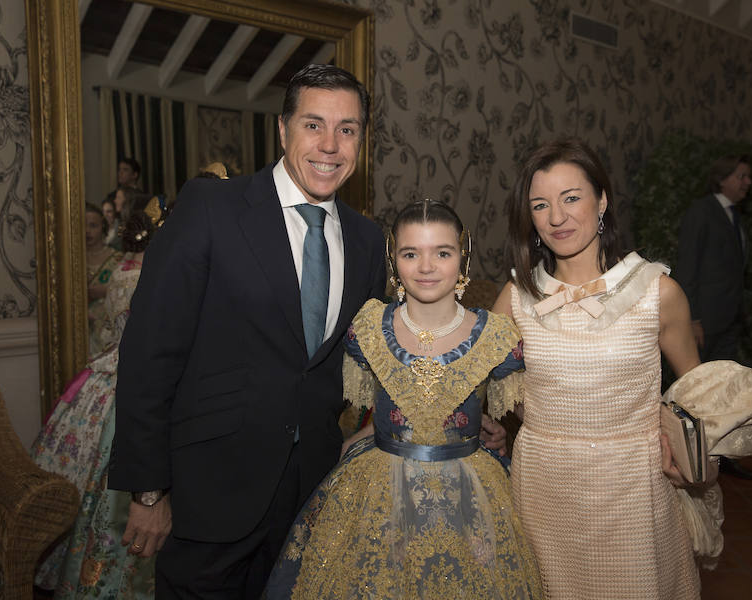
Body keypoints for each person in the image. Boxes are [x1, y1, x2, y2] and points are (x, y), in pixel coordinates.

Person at [107, 64, 506, 598]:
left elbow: (385, 352)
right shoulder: (212, 208)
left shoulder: (368, 241)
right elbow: (149, 352)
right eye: (313, 125)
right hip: (211, 491)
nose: (330, 144)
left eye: (348, 129)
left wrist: (455, 416)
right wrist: (149, 491)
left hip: (315, 495)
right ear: (282, 130)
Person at [263, 199, 542, 599]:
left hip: (470, 497)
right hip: (377, 494)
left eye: (442, 253)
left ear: (463, 259)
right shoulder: (368, 328)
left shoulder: (495, 336)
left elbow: (536, 411)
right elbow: (373, 409)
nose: (426, 267)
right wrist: (362, 438)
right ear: (394, 262)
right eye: (411, 254)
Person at [492, 138, 707, 599]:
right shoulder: (516, 299)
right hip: (543, 488)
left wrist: (697, 458)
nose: (557, 217)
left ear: (602, 199)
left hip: (632, 488)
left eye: (571, 198)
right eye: (540, 205)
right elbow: (479, 379)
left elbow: (700, 393)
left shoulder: (656, 291)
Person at [31, 209, 160, 596]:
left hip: (107, 368)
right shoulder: (150, 273)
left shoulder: (118, 270)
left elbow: (107, 328)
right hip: (136, 372)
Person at [674, 154, 752, 480]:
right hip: (704, 322)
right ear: (723, 178)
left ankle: (722, 456)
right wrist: (691, 318)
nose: (747, 182)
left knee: (725, 392)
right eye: (742, 176)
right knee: (695, 392)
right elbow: (688, 267)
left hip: (729, 320)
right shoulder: (702, 212)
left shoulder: (734, 215)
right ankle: (686, 454)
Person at [85, 203, 122, 357]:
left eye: (93, 226)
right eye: (84, 226)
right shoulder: (72, 262)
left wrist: (105, 290)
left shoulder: (116, 258)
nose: (88, 231)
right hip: (83, 330)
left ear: (103, 227)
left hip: (107, 330)